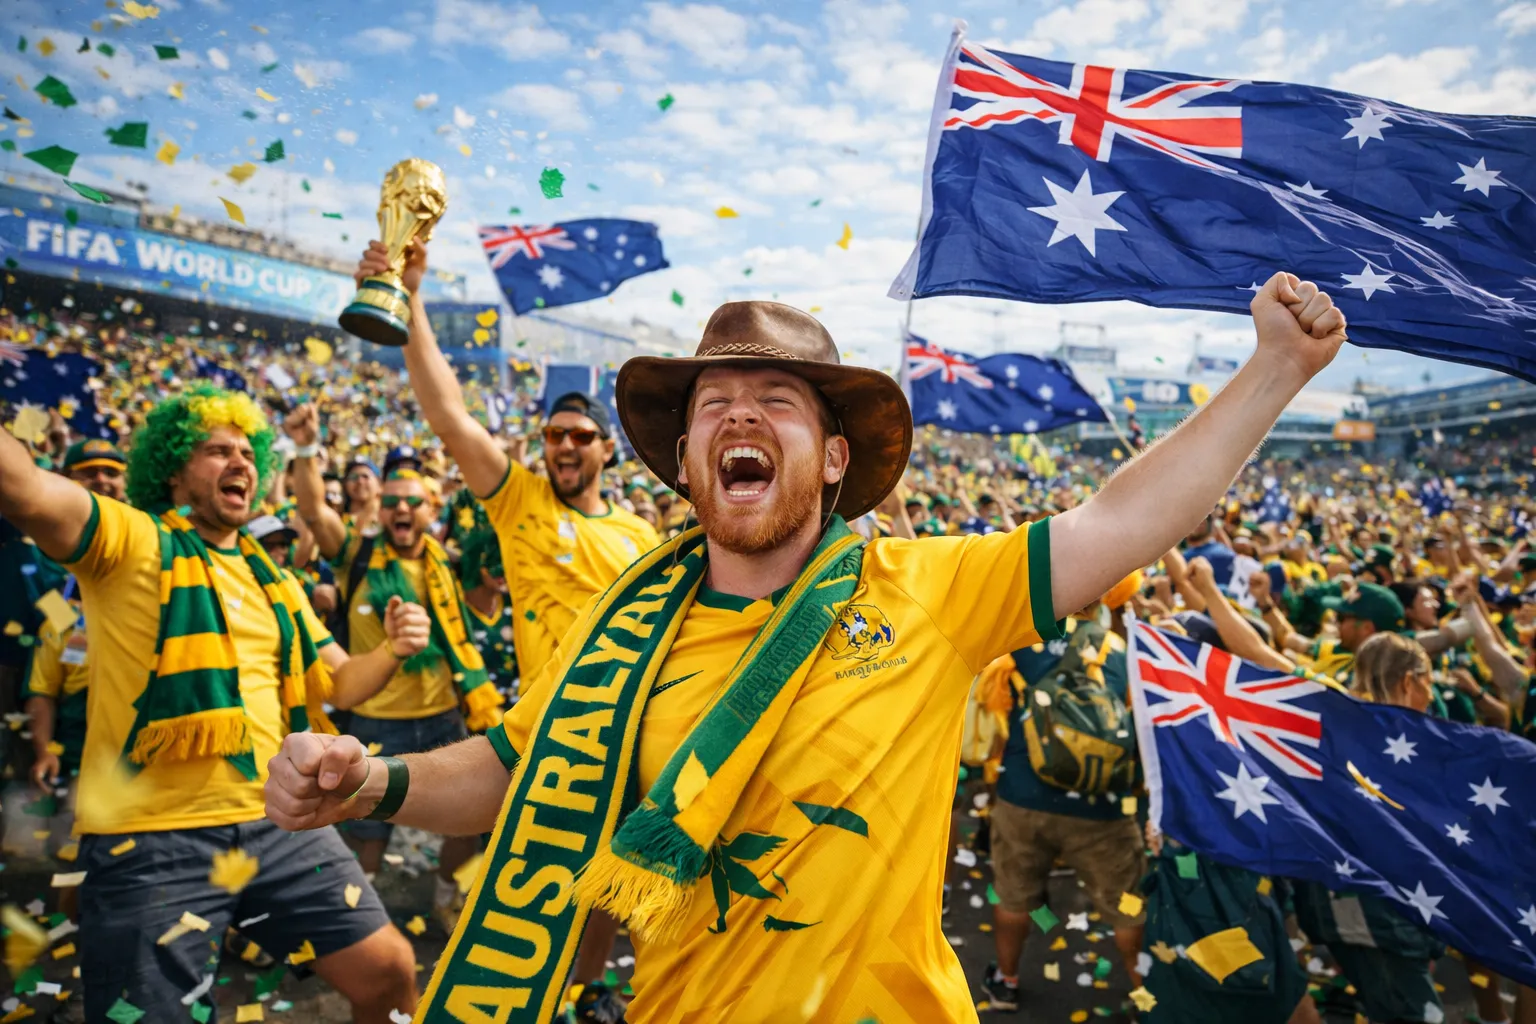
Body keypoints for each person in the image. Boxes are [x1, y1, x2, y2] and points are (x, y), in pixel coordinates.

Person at [266, 271, 1349, 1023]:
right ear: (687, 458)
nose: (739, 414)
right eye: (714, 404)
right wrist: (376, 778)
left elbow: (1122, 520)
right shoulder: (626, 629)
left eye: (773, 399)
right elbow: (516, 770)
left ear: (832, 458)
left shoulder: (930, 589)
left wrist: (1274, 370)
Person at [0, 384, 433, 1024]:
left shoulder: (274, 578)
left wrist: (393, 649)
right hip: (149, 840)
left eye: (246, 451)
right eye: (214, 450)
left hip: (278, 823)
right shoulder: (127, 539)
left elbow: (340, 684)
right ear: (173, 471)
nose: (239, 462)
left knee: (389, 973)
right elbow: (25, 488)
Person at [349, 238, 659, 992]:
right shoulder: (519, 505)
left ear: (605, 454)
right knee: (535, 886)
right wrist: (412, 296)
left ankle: (588, 994)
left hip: (637, 734)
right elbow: (449, 415)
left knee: (612, 887)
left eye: (581, 437)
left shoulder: (642, 537)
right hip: (549, 733)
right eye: (554, 435)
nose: (565, 446)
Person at [285, 402, 502, 930]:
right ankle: (359, 919)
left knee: (466, 825)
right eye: (391, 503)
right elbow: (314, 512)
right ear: (380, 510)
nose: (401, 511)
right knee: (366, 832)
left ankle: (446, 896)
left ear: (432, 511)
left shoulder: (446, 565)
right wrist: (309, 448)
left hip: (445, 715)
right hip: (378, 719)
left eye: (413, 503)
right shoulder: (355, 551)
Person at [982, 573, 1145, 1013]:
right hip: (1104, 807)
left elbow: (991, 708)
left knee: (1014, 895)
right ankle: (1143, 992)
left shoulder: (1023, 642)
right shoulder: (1121, 652)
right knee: (1126, 903)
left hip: (1023, 796)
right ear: (1103, 602)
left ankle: (1006, 981)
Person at [1291, 632, 1448, 1024]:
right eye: (1428, 680)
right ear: (1408, 681)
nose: (1431, 692)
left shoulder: (1332, 722)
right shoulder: (1395, 739)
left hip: (1350, 909)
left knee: (1386, 1005)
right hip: (1380, 915)